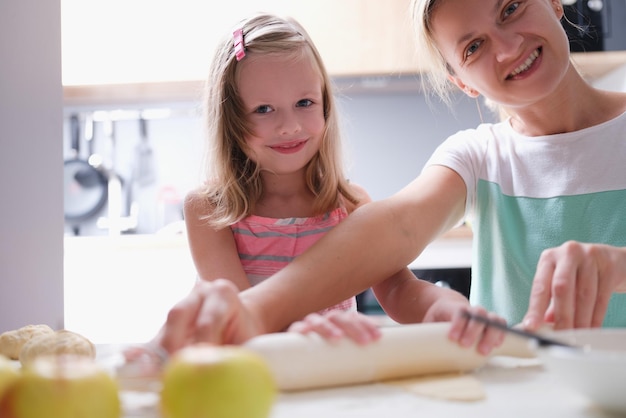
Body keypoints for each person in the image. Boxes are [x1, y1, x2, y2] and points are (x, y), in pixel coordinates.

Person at [151, 12, 504, 353]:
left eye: (304, 102)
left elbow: (398, 289)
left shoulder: (349, 204)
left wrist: (438, 306)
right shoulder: (210, 210)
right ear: (230, 119)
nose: (289, 125)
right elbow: (240, 319)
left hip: (333, 382)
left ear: (325, 105)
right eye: (263, 109)